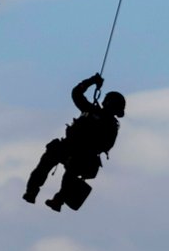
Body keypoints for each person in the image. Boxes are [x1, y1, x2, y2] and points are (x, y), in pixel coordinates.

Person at [23, 72, 124, 210]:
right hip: (68, 147)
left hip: (83, 156)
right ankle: (32, 192)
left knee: (70, 175)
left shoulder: (110, 125)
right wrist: (91, 81)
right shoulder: (91, 110)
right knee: (46, 162)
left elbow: (106, 145)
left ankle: (57, 200)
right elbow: (76, 94)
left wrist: (86, 149)